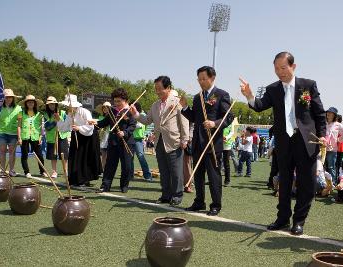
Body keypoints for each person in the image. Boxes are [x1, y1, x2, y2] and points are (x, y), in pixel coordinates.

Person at [240, 51, 327, 235]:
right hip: (284, 141)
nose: (280, 72)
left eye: (283, 67)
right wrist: (249, 96)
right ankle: (282, 218)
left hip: (307, 141)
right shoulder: (273, 89)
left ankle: (299, 221)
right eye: (276, 68)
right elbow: (259, 105)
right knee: (284, 181)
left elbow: (319, 114)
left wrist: (322, 136)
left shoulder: (308, 85)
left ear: (293, 66)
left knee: (306, 183)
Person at [180, 66, 234, 216]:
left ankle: (216, 205)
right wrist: (184, 107)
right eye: (199, 79)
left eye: (204, 78)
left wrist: (214, 123)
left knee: (213, 175)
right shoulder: (197, 97)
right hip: (197, 142)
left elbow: (229, 117)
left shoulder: (222, 94)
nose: (201, 81)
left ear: (212, 78)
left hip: (212, 143)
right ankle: (199, 201)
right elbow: (194, 118)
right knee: (198, 175)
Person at [130, 77, 189, 205]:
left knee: (175, 171)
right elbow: (147, 120)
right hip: (159, 141)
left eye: (159, 89)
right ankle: (166, 195)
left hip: (174, 141)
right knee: (163, 170)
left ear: (168, 88)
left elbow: (184, 121)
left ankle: (177, 196)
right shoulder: (155, 105)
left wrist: (185, 139)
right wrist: (136, 115)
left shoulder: (177, 102)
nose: (157, 91)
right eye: (156, 89)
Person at [90, 88, 135, 193]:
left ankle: (124, 185)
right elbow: (104, 122)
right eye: (115, 101)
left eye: (119, 101)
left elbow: (133, 125)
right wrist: (94, 124)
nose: (117, 103)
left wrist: (125, 132)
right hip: (113, 141)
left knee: (127, 166)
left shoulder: (130, 111)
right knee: (110, 164)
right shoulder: (112, 111)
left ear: (125, 100)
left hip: (127, 142)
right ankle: (105, 185)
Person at [58, 94, 102, 187]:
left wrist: (79, 128)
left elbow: (90, 126)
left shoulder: (84, 112)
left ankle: (85, 179)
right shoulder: (70, 114)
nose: (67, 107)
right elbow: (64, 127)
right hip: (77, 136)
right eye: (67, 106)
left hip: (88, 137)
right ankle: (75, 179)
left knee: (85, 158)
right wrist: (58, 120)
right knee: (75, 157)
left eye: (69, 106)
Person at [17, 95, 45, 178]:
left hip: (35, 136)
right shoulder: (21, 113)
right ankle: (27, 172)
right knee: (24, 155)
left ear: (35, 104)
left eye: (32, 102)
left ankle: (42, 171)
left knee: (39, 155)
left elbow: (41, 127)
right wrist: (19, 138)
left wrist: (40, 137)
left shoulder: (39, 114)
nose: (30, 103)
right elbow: (19, 126)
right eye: (28, 102)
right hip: (24, 136)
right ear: (26, 103)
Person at [0, 89, 21, 176]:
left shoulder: (18, 108)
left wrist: (19, 136)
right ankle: (2, 170)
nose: (9, 99)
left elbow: (20, 122)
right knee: (2, 151)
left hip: (13, 133)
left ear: (13, 98)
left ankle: (11, 170)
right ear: (3, 98)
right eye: (7, 97)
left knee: (12, 152)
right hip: (1, 132)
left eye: (10, 97)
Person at [43, 96, 70, 179]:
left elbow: (66, 124)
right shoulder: (46, 114)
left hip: (62, 135)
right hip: (52, 137)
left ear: (56, 104)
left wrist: (59, 119)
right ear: (47, 106)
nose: (52, 106)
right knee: (53, 155)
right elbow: (47, 127)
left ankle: (65, 170)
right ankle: (54, 171)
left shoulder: (62, 112)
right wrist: (55, 121)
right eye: (50, 104)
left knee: (64, 154)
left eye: (53, 104)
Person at [325, 107, 343, 185]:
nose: (328, 114)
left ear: (334, 115)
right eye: (328, 112)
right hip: (321, 148)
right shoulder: (323, 123)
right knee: (321, 167)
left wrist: (339, 140)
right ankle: (324, 184)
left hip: (332, 150)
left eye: (330, 113)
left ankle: (333, 183)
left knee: (331, 167)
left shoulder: (338, 125)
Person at [131, 102, 152, 182]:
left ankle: (147, 175)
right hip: (130, 138)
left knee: (141, 156)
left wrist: (130, 124)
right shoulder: (130, 114)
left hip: (138, 139)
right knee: (130, 158)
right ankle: (130, 175)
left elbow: (139, 126)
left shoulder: (142, 114)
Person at [96, 102, 111, 170]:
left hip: (109, 136)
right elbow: (99, 125)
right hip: (102, 136)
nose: (105, 109)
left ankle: (104, 168)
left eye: (107, 107)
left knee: (108, 154)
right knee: (101, 153)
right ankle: (100, 168)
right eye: (104, 108)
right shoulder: (101, 117)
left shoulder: (112, 117)